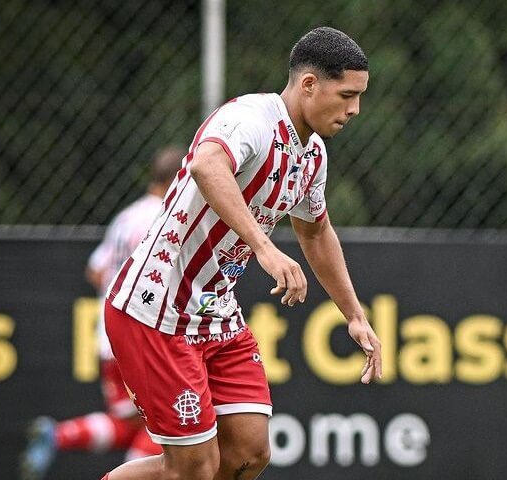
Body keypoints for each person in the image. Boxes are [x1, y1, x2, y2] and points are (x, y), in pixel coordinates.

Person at [102, 26, 383, 480]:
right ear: (310, 84)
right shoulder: (249, 116)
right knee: (194, 468)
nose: (355, 110)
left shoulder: (312, 154)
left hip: (215, 314)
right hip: (156, 313)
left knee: (248, 453)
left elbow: (316, 233)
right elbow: (206, 165)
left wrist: (354, 314)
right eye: (347, 95)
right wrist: (265, 248)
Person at [20, 146, 185, 480]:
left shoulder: (125, 217)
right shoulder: (167, 216)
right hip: (141, 337)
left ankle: (59, 435)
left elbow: (96, 270)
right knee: (169, 427)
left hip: (108, 337)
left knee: (130, 424)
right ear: (176, 179)